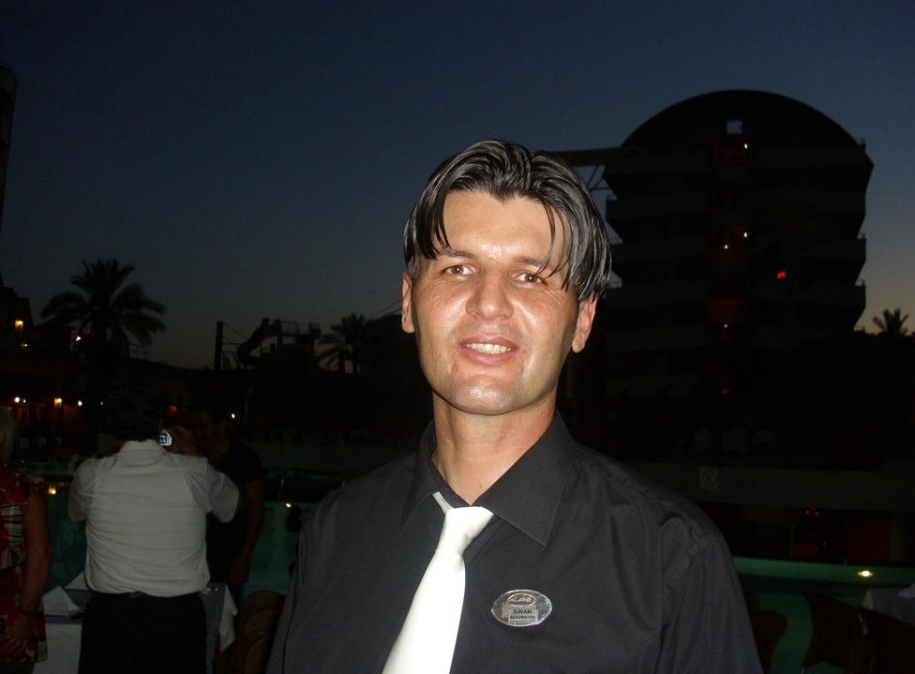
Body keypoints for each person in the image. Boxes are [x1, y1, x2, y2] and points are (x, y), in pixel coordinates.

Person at [266, 140, 761, 673]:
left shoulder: (672, 559)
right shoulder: (335, 530)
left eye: (531, 277)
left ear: (583, 321)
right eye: (457, 268)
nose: (488, 303)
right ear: (409, 302)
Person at [68, 411, 239, 674]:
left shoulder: (92, 473)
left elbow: (76, 513)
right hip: (177, 619)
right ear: (160, 427)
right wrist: (193, 452)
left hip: (112, 619)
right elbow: (230, 507)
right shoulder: (193, 471)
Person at [191, 401, 265, 607]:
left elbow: (256, 511)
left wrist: (243, 558)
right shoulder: (195, 458)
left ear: (221, 425)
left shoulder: (244, 458)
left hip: (228, 553)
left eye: (203, 426)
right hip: (197, 555)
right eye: (194, 427)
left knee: (225, 612)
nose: (198, 433)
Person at [0, 408, 49, 673]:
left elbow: (39, 558)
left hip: (12, 617)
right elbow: (39, 557)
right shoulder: (24, 487)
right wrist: (26, 615)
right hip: (12, 615)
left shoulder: (24, 487)